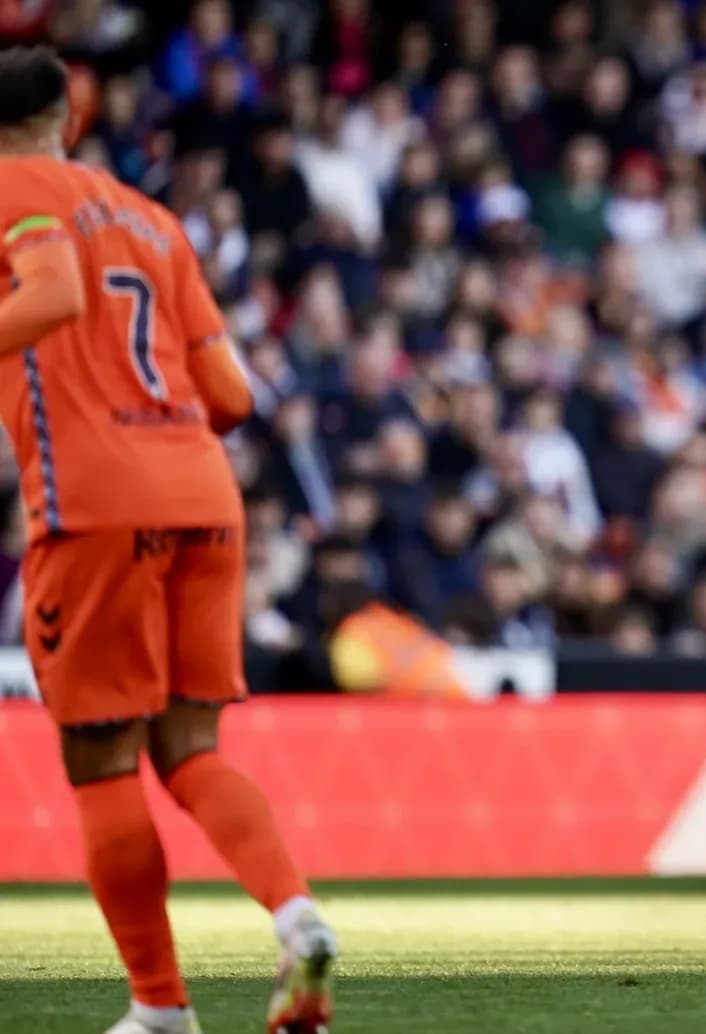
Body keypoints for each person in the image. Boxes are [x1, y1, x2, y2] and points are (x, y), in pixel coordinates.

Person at [0, 48, 336, 1034]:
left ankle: (160, 1007)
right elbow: (232, 394)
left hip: (94, 507)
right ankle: (295, 912)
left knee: (101, 758)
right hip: (203, 493)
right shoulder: (152, 219)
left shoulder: (9, 188)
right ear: (70, 110)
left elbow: (55, 291)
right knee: (190, 749)